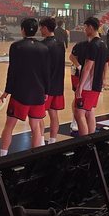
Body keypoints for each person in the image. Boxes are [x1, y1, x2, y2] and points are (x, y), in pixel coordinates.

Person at [0, 18, 50, 155]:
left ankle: (3, 156)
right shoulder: (44, 48)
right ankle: (34, 158)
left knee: (9, 125)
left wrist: (7, 91)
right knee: (36, 127)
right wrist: (46, 90)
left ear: (22, 30)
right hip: (38, 92)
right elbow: (46, 72)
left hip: (20, 93)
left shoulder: (16, 46)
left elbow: (12, 70)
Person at [74, 16, 108, 136]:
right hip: (96, 84)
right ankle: (91, 140)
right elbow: (106, 64)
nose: (85, 30)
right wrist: (104, 79)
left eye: (86, 27)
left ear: (91, 27)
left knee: (79, 113)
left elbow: (87, 67)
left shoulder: (93, 45)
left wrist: (80, 86)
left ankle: (84, 142)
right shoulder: (103, 44)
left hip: (88, 85)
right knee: (89, 112)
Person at [39, 17, 65, 145]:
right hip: (58, 85)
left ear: (45, 28)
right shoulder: (60, 44)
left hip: (45, 87)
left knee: (38, 115)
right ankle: (53, 140)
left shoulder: (43, 45)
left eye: (41, 28)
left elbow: (41, 68)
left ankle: (40, 141)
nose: (40, 30)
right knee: (54, 114)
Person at [69, 39, 87, 132]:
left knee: (85, 97)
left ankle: (82, 118)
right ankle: (74, 120)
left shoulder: (97, 46)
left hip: (88, 75)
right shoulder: (80, 45)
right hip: (76, 74)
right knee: (77, 97)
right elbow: (71, 57)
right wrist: (79, 66)